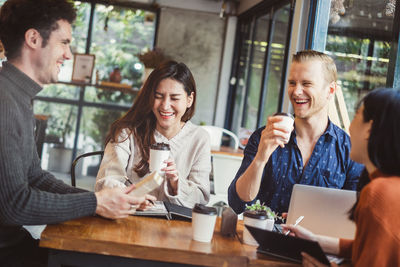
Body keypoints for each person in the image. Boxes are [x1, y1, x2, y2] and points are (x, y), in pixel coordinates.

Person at [0, 0, 155, 265]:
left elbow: (34, 176)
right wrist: (95, 203)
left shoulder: (17, 97)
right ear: (34, 39)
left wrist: (106, 200)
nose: (69, 54)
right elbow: (14, 205)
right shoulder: (5, 101)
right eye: (64, 42)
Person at [228, 50, 364, 214]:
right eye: (292, 83)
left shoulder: (349, 150)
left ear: (331, 90)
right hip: (263, 238)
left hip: (316, 240)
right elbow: (238, 203)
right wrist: (260, 158)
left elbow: (355, 216)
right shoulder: (265, 137)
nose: (296, 91)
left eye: (306, 84)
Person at [283, 88, 400, 267]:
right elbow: (365, 248)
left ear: (369, 128)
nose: (350, 127)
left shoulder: (379, 193)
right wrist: (314, 240)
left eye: (356, 116)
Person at [95, 60, 211, 208]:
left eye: (174, 98)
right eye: (158, 96)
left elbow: (201, 197)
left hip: (174, 227)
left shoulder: (199, 138)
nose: (165, 105)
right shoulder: (127, 132)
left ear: (190, 99)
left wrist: (176, 184)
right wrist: (133, 198)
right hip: (128, 219)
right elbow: (105, 182)